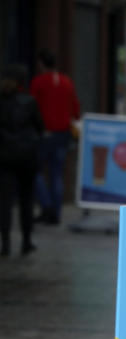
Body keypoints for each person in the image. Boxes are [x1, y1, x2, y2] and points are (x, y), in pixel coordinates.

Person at [30, 50, 80, 225]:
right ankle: (55, 212)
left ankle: (47, 205)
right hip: (63, 133)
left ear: (42, 64)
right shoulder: (66, 82)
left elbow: (31, 107)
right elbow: (75, 108)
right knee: (57, 174)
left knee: (34, 171)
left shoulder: (38, 83)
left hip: (45, 134)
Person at [0, 64, 43, 256]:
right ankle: (26, 241)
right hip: (26, 157)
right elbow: (40, 127)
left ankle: (6, 243)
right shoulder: (29, 101)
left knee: (5, 202)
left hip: (5, 157)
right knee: (26, 200)